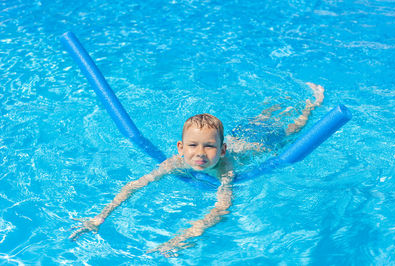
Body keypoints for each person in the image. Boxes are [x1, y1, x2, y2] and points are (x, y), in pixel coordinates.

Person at [69, 82, 325, 257]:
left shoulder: (225, 170)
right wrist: (100, 217)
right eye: (193, 145)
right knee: (264, 115)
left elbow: (221, 209)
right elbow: (135, 185)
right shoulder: (175, 162)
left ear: (222, 151)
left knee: (290, 129)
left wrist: (181, 238)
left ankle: (312, 103)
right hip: (236, 134)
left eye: (209, 147)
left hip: (256, 144)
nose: (200, 153)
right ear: (180, 147)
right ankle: (284, 102)